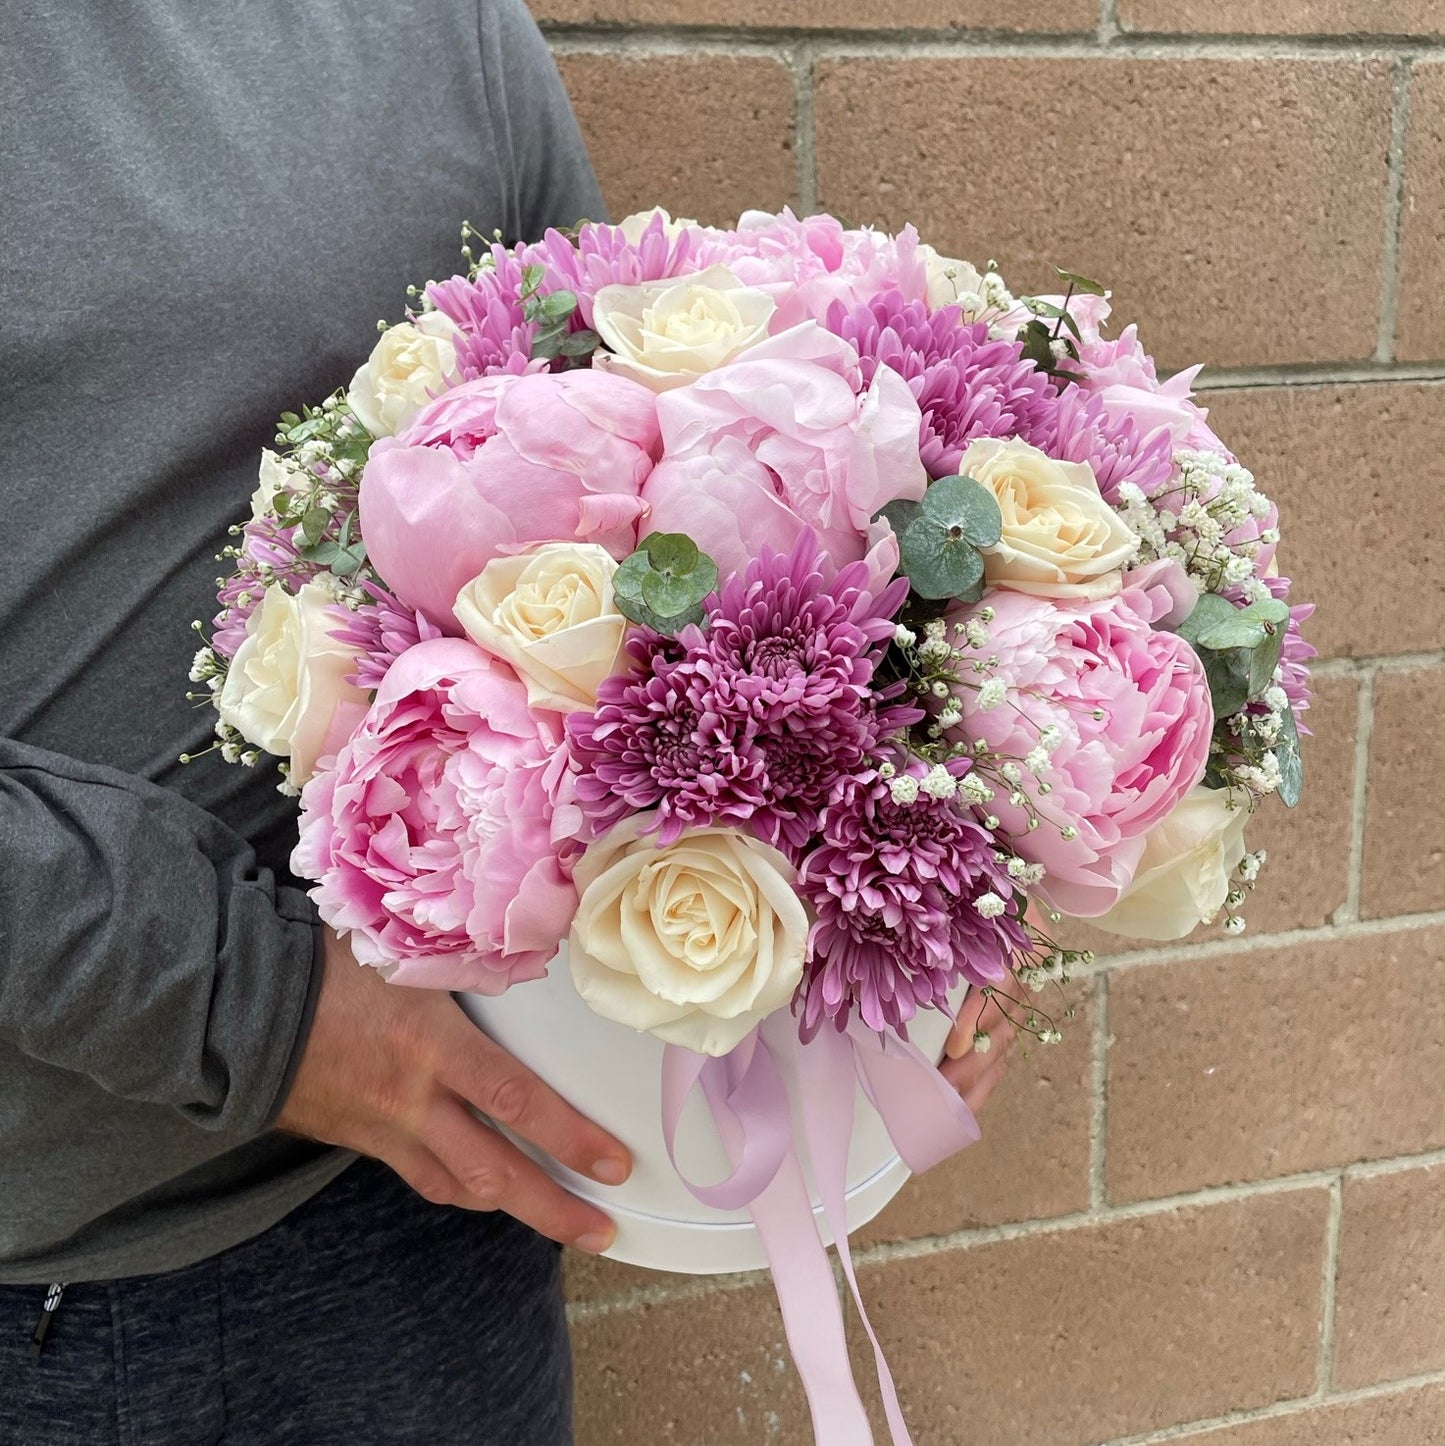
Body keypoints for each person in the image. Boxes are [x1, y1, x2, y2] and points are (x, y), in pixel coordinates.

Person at [0, 3, 1012, 1441]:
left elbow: (659, 531)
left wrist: (926, 883)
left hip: (439, 1207)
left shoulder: (441, 30)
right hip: (64, 1262)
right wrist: (256, 1003)